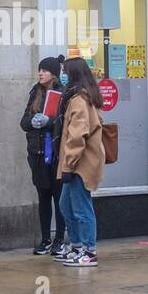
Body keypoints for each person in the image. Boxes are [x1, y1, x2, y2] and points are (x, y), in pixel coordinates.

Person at [55, 57, 105, 267]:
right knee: (66, 204)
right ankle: (77, 246)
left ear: (73, 74)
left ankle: (89, 250)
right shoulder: (82, 97)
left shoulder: (78, 100)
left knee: (81, 208)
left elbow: (77, 136)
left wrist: (68, 165)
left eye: (64, 71)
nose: (62, 75)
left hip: (80, 164)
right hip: (79, 161)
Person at [20, 55, 67, 256]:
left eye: (45, 70)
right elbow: (23, 122)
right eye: (39, 70)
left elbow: (66, 123)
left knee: (59, 199)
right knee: (43, 198)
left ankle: (60, 239)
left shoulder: (63, 94)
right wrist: (33, 121)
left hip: (55, 155)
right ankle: (46, 238)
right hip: (37, 154)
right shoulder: (35, 92)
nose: (40, 73)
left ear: (54, 74)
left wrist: (50, 122)